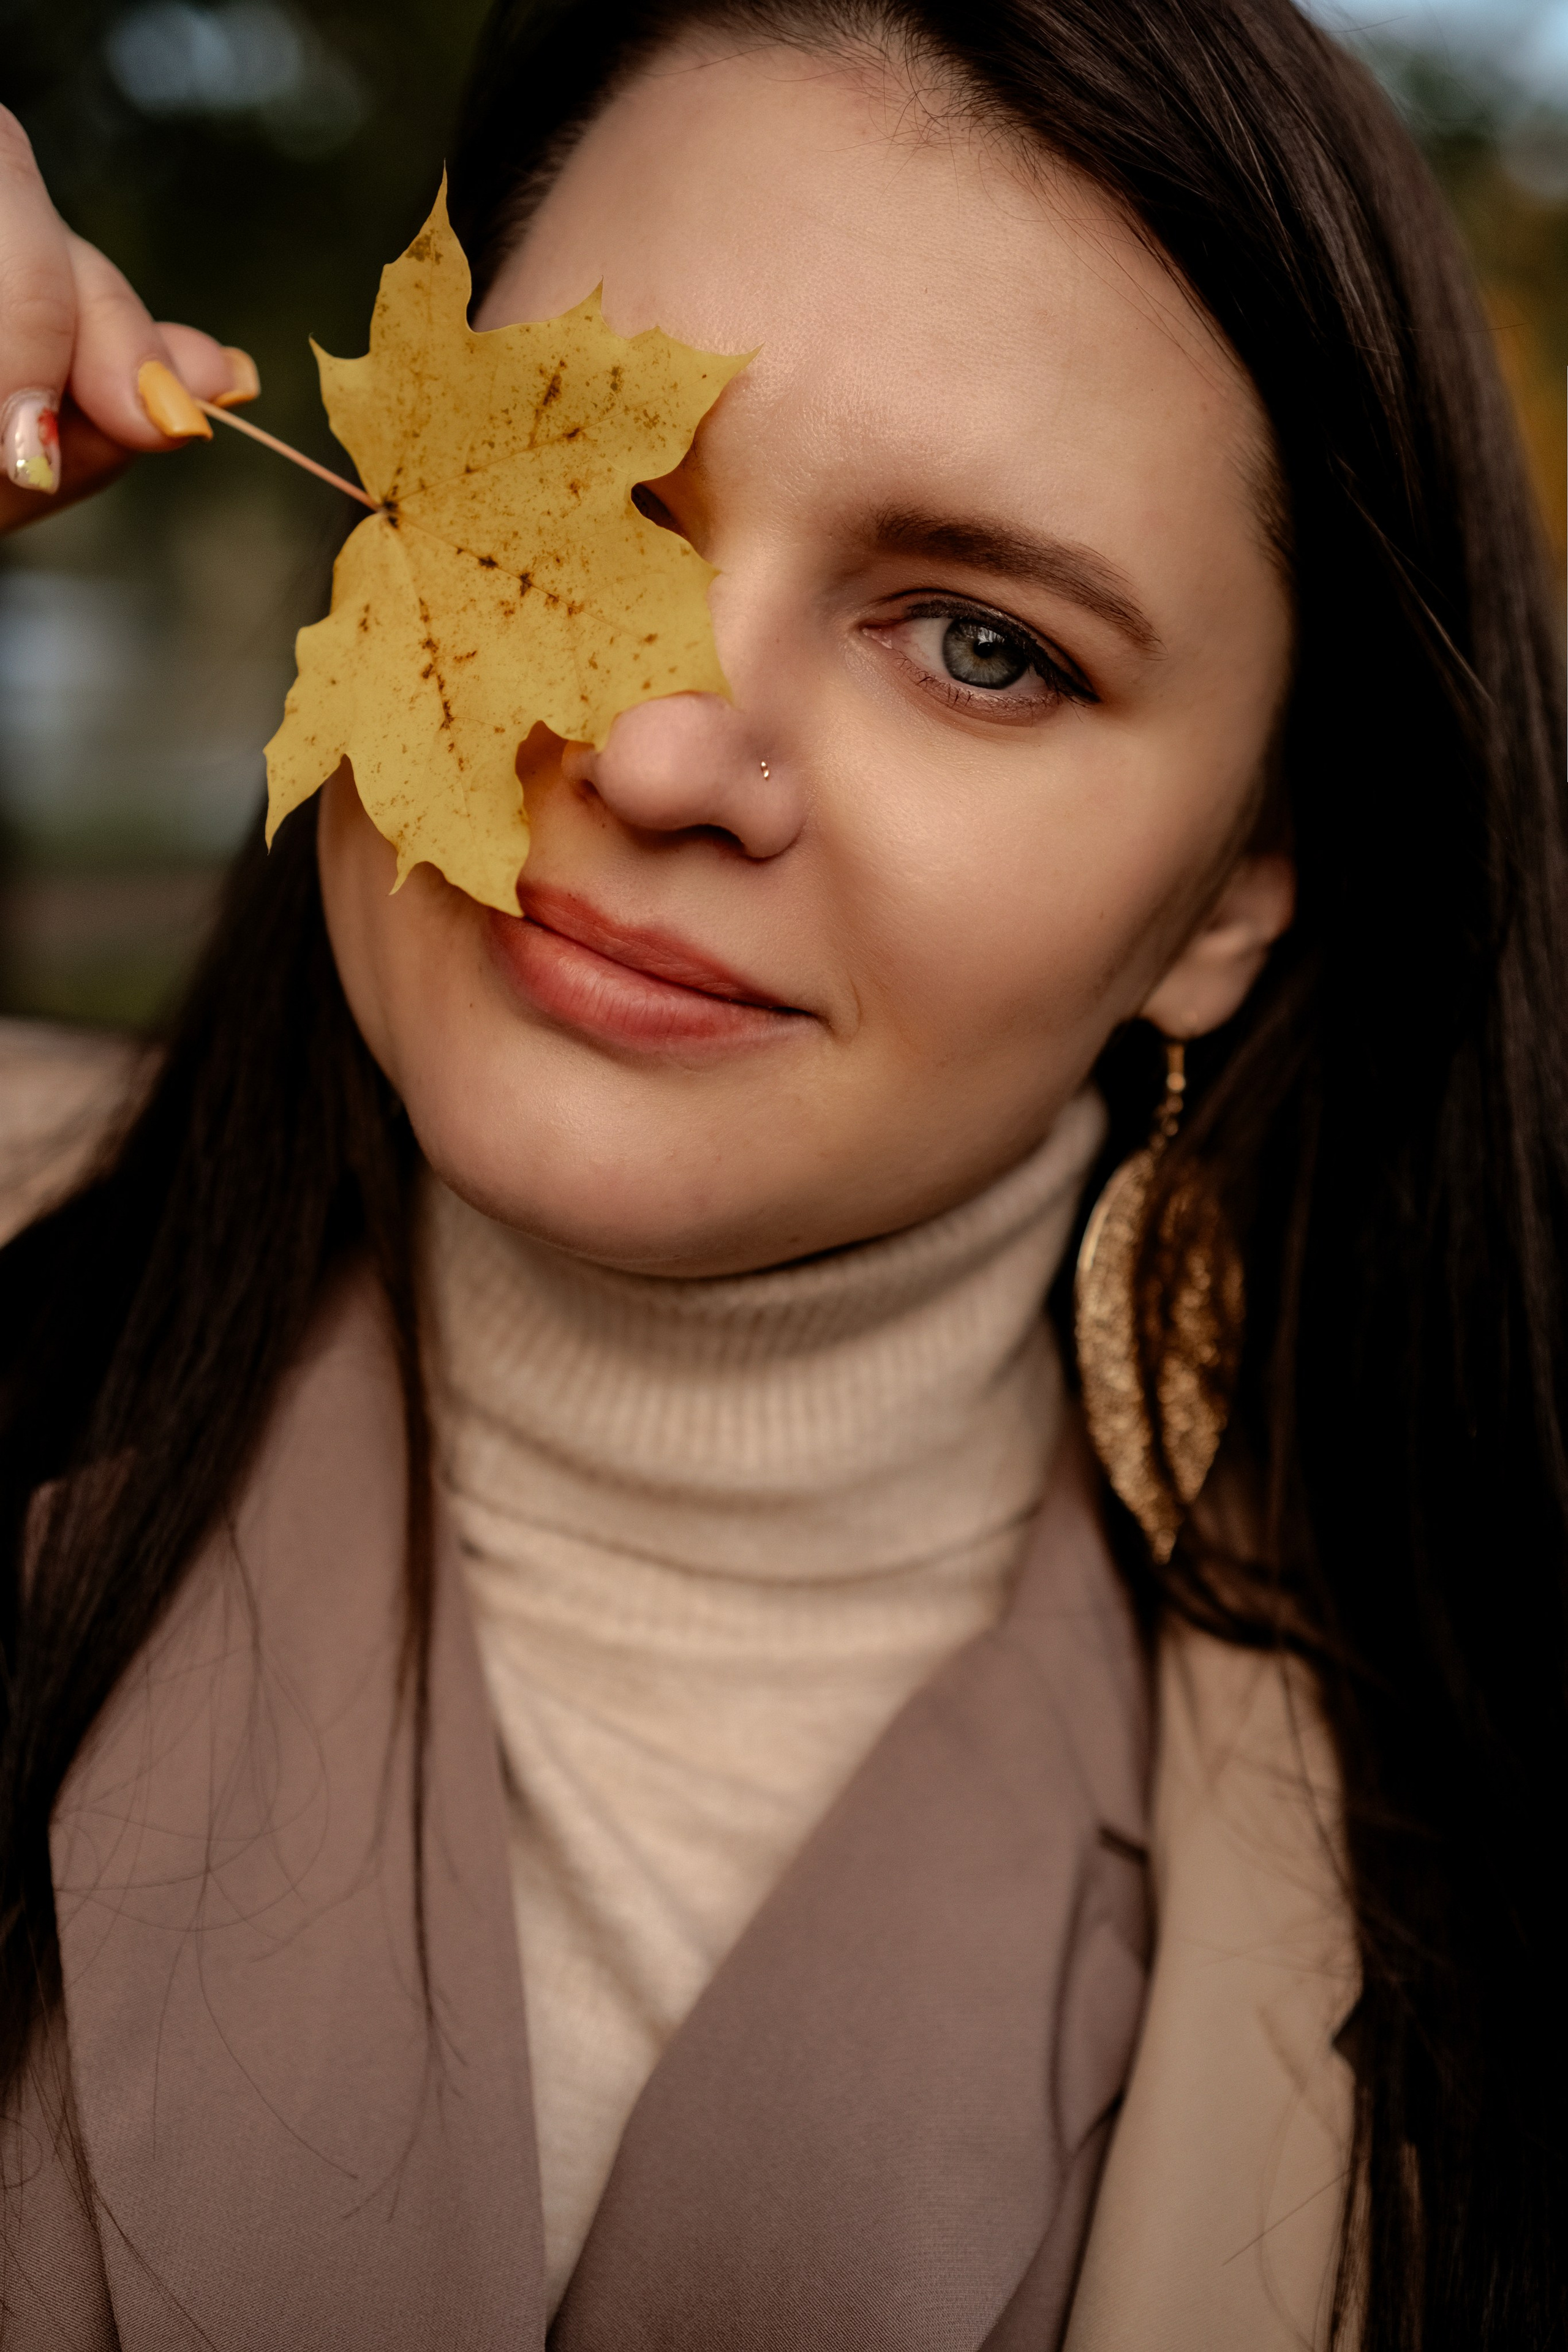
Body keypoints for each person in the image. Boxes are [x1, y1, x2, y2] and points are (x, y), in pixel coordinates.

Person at [1, 0, 1562, 2342]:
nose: (655, 749)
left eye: (981, 647)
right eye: (585, 495)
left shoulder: (1478, 1850)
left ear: (1242, 885)